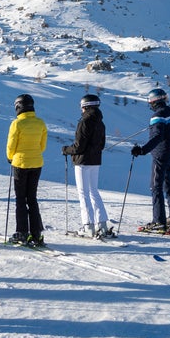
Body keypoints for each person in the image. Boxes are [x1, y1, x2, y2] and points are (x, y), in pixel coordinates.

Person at [131, 88, 170, 230]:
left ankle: (159, 221)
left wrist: (142, 150)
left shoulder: (157, 115)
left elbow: (157, 137)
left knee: (156, 186)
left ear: (153, 101)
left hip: (160, 155)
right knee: (168, 184)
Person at [61, 94, 113, 238]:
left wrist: (66, 150)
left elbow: (79, 146)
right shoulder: (100, 122)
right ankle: (102, 224)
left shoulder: (85, 121)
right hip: (95, 161)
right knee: (94, 191)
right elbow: (101, 144)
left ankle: (87, 226)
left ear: (85, 106)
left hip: (83, 162)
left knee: (83, 193)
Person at [6, 94, 48, 247]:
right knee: (32, 198)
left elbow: (11, 146)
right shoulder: (41, 123)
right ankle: (36, 234)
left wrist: (10, 157)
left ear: (18, 107)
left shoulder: (17, 124)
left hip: (20, 164)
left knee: (20, 199)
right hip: (37, 163)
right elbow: (42, 146)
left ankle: (22, 232)